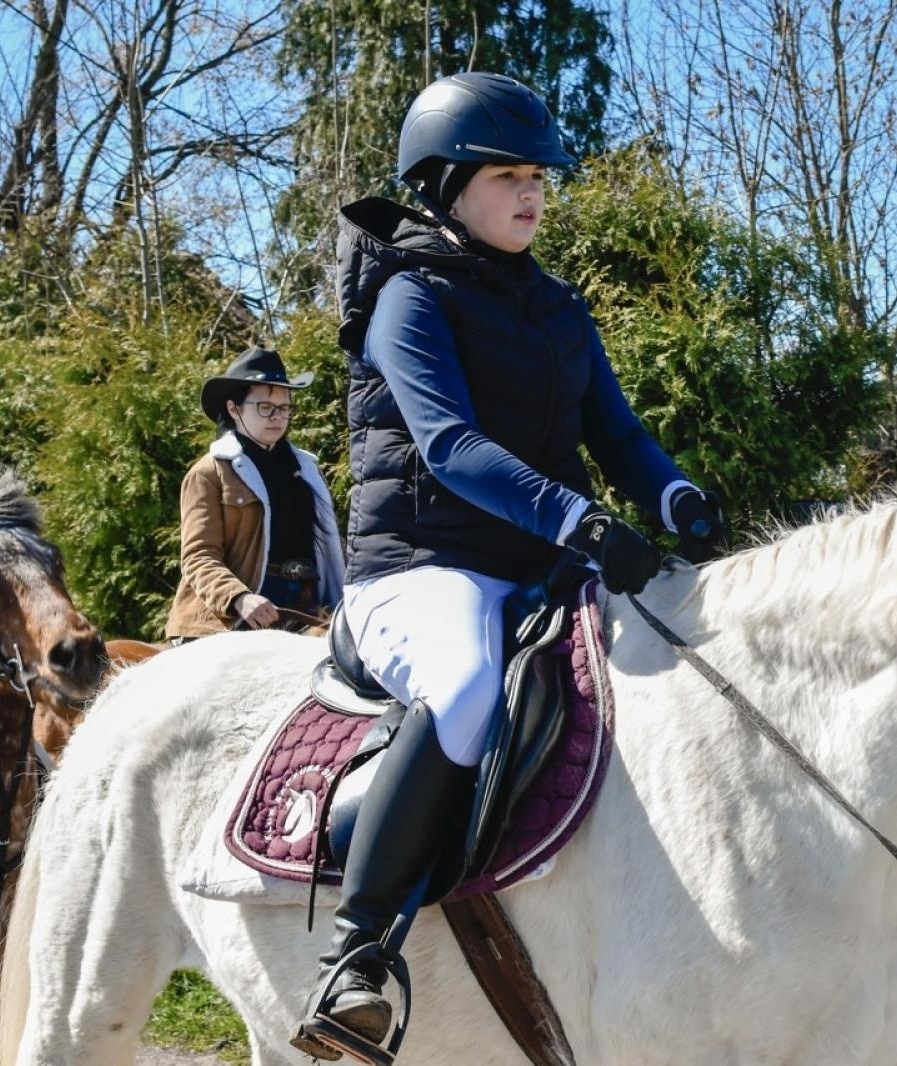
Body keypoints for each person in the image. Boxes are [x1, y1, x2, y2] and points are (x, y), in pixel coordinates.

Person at [293, 72, 726, 1059]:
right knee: (466, 683)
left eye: (539, 175)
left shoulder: (556, 307)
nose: (533, 193)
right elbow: (447, 445)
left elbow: (617, 434)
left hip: (540, 564)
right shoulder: (407, 294)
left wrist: (673, 498)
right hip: (421, 566)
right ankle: (360, 952)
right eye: (508, 176)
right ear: (445, 185)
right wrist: (580, 524)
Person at [166, 347, 347, 642]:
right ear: (233, 409)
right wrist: (238, 597)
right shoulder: (209, 472)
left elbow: (327, 546)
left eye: (284, 408)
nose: (277, 417)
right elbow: (199, 556)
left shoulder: (307, 470)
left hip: (305, 602)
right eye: (265, 407)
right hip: (230, 613)